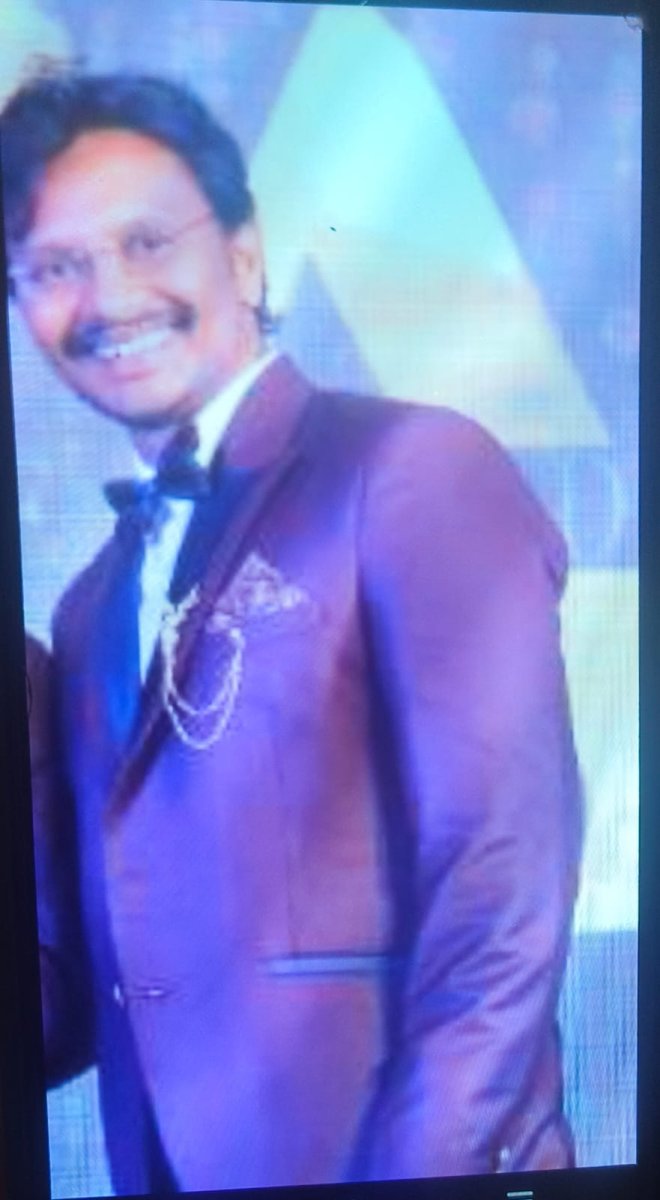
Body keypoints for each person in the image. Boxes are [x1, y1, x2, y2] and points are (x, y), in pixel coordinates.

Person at [1, 71, 582, 1194]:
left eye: (145, 241)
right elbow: (79, 995)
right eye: (54, 268)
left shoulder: (410, 470)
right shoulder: (84, 608)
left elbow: (500, 887)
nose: (108, 295)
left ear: (245, 252)